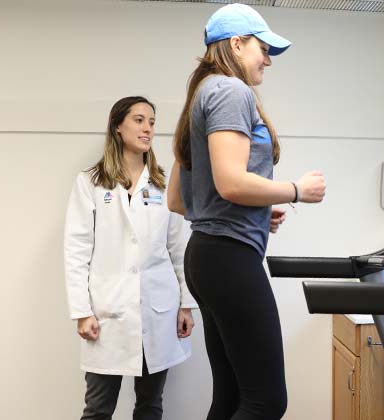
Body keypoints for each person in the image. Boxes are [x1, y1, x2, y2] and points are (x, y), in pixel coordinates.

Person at [168, 4, 326, 419]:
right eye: (263, 48)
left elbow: (180, 200)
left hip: (206, 256)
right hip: (228, 260)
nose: (268, 60)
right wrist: (296, 191)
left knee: (233, 396)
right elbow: (231, 183)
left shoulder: (199, 96)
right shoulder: (230, 92)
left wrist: (257, 211)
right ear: (237, 44)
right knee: (266, 401)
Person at [64, 96, 198, 420]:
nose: (147, 128)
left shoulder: (165, 185)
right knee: (98, 409)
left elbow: (179, 248)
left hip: (158, 310)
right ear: (117, 126)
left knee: (150, 407)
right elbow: (76, 249)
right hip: (107, 313)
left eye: (152, 122)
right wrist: (82, 311)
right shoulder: (90, 183)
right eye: (139, 120)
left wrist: (186, 303)